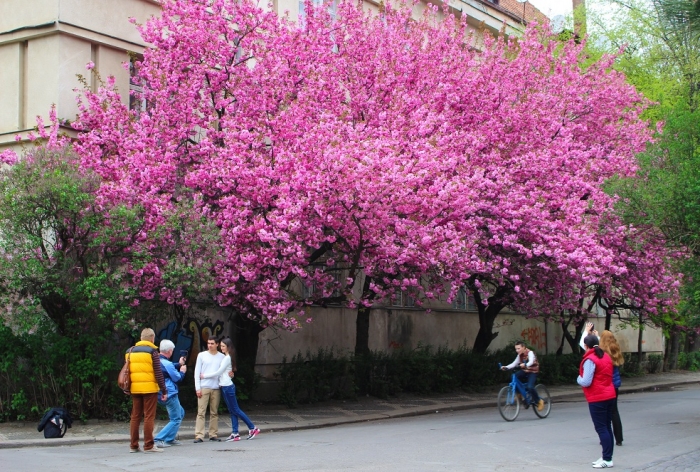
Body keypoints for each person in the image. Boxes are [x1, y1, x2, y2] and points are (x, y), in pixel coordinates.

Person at [200, 337, 260, 441]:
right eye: (221, 346)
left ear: (228, 347)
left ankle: (252, 428)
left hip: (227, 386)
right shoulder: (227, 357)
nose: (221, 348)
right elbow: (226, 373)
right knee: (232, 411)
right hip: (225, 386)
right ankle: (235, 433)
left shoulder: (227, 358)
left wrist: (204, 375)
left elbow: (218, 372)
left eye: (223, 346)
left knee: (235, 409)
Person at [580, 323, 624, 446]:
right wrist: (597, 336)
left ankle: (605, 438)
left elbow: (585, 345)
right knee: (614, 411)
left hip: (606, 386)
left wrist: (587, 332)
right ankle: (619, 437)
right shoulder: (615, 349)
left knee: (604, 416)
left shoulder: (602, 352)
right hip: (615, 384)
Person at [578, 334, 617, 469]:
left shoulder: (590, 359)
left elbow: (586, 381)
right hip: (610, 394)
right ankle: (607, 456)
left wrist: (578, 378)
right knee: (607, 427)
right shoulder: (605, 356)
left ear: (586, 346)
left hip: (597, 398)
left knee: (601, 428)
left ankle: (607, 459)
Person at [127, 328, 167, 453]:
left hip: (135, 388)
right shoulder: (152, 352)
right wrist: (164, 390)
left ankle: (134, 446)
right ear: (152, 338)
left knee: (135, 417)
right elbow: (158, 373)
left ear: (141, 338)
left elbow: (128, 372)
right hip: (149, 389)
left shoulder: (130, 351)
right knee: (149, 417)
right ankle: (148, 445)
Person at [153, 339, 187, 448]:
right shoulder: (167, 363)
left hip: (158, 392)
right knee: (176, 418)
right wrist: (182, 371)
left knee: (180, 413)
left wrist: (178, 364)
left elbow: (167, 367)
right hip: (169, 393)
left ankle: (170, 438)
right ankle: (159, 439)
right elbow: (177, 378)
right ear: (170, 351)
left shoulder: (156, 359)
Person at [194, 336, 225, 442]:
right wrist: (198, 388)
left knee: (214, 412)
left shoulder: (221, 356)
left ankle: (213, 434)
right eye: (208, 343)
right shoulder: (202, 355)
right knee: (201, 412)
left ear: (217, 344)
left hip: (216, 387)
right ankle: (199, 435)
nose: (210, 345)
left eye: (212, 343)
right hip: (204, 387)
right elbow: (197, 372)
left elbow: (223, 372)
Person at [501, 341, 544, 411]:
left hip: (533, 371)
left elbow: (531, 361)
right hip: (525, 371)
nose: (517, 350)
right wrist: (506, 367)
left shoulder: (530, 353)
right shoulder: (519, 355)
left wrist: (525, 364)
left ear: (523, 347)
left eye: (518, 348)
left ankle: (539, 401)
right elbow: (514, 364)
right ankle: (519, 393)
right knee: (514, 377)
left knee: (530, 387)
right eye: (516, 349)